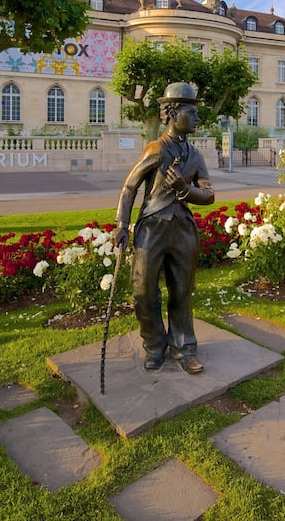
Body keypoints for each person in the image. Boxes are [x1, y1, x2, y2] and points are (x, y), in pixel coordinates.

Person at [113, 82, 214, 374]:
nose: (197, 118)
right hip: (152, 228)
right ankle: (155, 346)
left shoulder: (196, 155)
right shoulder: (155, 149)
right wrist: (122, 224)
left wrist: (185, 190)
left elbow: (208, 195)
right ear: (172, 114)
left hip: (182, 229)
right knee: (144, 291)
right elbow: (130, 187)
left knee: (181, 291)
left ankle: (184, 349)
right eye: (190, 112)